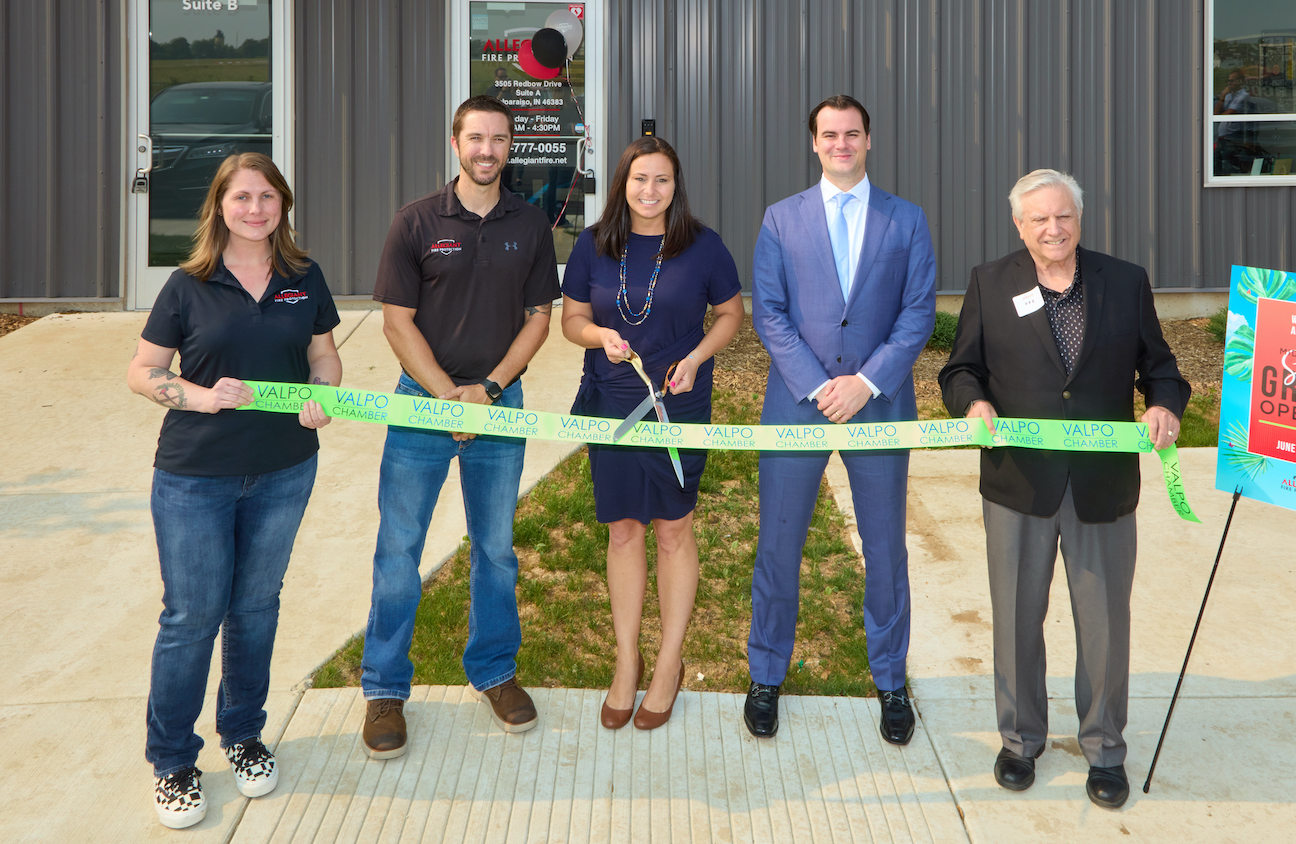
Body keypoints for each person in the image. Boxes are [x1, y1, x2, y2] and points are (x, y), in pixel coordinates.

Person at [937, 169, 1190, 810]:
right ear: (1018, 227)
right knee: (1018, 618)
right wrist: (972, 406)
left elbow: (1161, 369)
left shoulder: (1124, 281)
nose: (1053, 229)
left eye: (1063, 217)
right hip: (1018, 481)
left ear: (1079, 218)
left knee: (1105, 624)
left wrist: (1164, 407)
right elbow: (961, 367)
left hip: (1102, 486)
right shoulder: (990, 283)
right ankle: (1020, 741)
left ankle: (1105, 750)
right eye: (1039, 220)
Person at [127, 152, 342, 829]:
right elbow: (142, 371)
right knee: (191, 619)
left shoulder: (304, 278)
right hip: (195, 478)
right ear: (220, 206)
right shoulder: (187, 285)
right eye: (242, 197)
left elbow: (323, 355)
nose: (256, 209)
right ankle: (172, 761)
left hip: (284, 469)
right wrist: (195, 395)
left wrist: (325, 395)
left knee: (255, 609)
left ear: (283, 205)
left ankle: (244, 736)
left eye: (267, 197)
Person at [359, 95, 559, 758]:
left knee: (496, 549)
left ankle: (495, 671)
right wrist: (448, 397)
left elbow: (538, 317)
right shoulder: (415, 222)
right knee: (398, 554)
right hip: (421, 405)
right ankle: (384, 689)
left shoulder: (530, 225)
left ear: (509, 147)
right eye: (477, 138)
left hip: (499, 404)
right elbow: (396, 321)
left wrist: (489, 391)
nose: (487, 150)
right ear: (456, 143)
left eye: (499, 140)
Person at [745, 95, 936, 745]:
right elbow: (768, 313)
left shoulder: (906, 221)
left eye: (852, 133)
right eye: (829, 134)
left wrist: (866, 382)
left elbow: (917, 314)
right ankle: (766, 673)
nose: (841, 143)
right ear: (814, 143)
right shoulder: (780, 219)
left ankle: (890, 681)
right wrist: (821, 385)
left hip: (880, 407)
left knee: (885, 551)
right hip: (797, 406)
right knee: (778, 546)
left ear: (869, 140)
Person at [560, 136, 743, 730]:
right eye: (640, 179)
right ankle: (626, 659)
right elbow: (572, 320)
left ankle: (668, 662)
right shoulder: (594, 245)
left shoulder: (703, 247)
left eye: (662, 180)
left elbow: (731, 314)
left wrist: (696, 358)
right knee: (623, 530)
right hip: (611, 402)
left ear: (675, 186)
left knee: (673, 529)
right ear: (623, 183)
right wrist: (599, 338)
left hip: (677, 401)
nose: (649, 190)